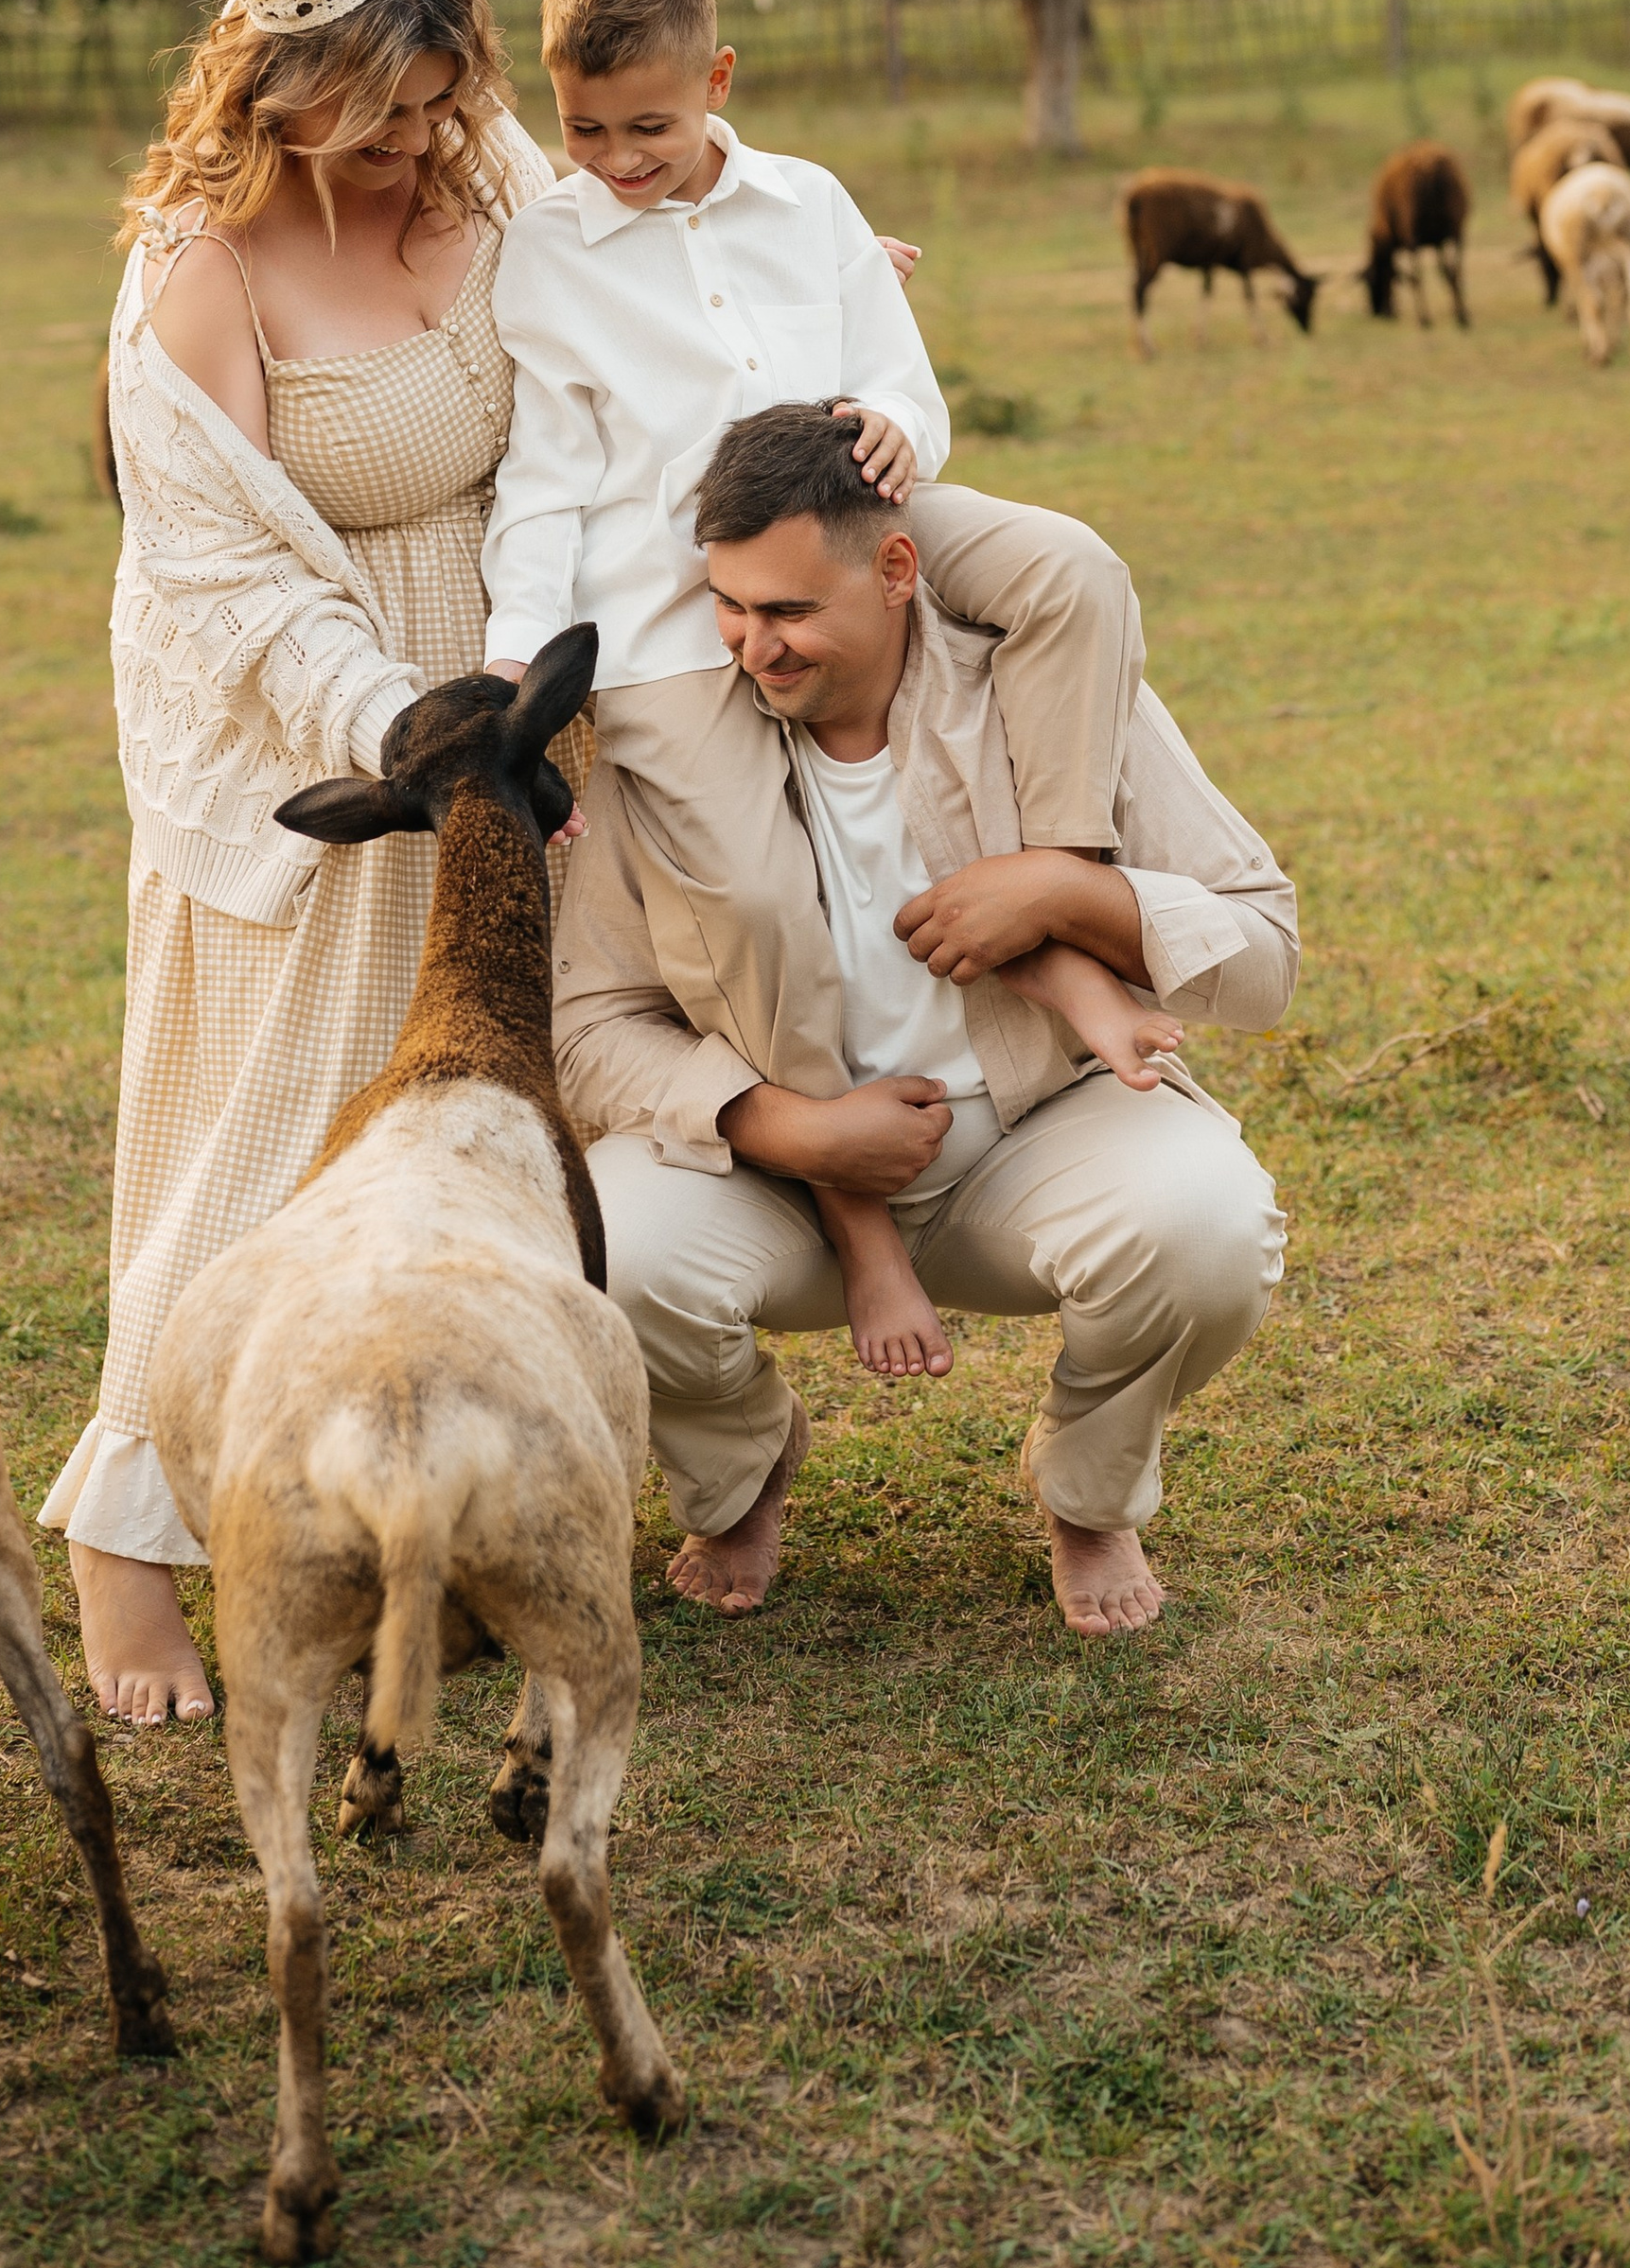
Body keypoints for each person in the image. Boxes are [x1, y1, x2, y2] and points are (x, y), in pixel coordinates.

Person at [483, 0, 1148, 1389]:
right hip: (672, 616)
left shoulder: (810, 202)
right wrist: (519, 679)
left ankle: (1060, 893)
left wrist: (905, 426)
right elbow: (542, 478)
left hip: (857, 526)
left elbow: (895, 369)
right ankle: (857, 1218)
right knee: (757, 903)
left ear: (716, 82)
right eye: (584, 129)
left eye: (649, 126)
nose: (615, 158)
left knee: (1072, 572)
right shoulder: (551, 247)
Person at [40, 0, 568, 1726]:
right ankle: (126, 1536)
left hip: (502, 712)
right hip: (324, 753)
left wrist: (802, 280)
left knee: (455, 1137)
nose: (425, 143)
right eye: (385, 114)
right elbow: (234, 583)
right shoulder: (205, 273)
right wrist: (410, 737)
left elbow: (627, 301)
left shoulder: (484, 168)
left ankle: (408, 1502)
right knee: (259, 1141)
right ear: (288, 85)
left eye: (442, 102)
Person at [552, 401, 1296, 1640]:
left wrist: (1068, 894)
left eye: (790, 611)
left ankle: (1090, 1488)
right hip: (778, 1187)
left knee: (1207, 1228)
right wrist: (782, 1126)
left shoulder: (1048, 689)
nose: (753, 647)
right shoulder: (676, 750)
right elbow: (590, 1026)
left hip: (1035, 1133)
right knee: (600, 1249)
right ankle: (741, 1463)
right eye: (729, 606)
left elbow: (1265, 956)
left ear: (898, 570)